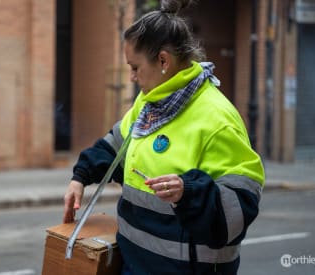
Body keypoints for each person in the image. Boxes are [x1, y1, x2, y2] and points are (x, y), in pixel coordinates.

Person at [63, 0, 265, 274]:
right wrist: (81, 176)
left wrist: (188, 191)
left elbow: (239, 209)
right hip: (134, 266)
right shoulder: (148, 104)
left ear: (162, 61)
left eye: (135, 67)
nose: (132, 77)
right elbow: (116, 145)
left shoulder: (217, 118)